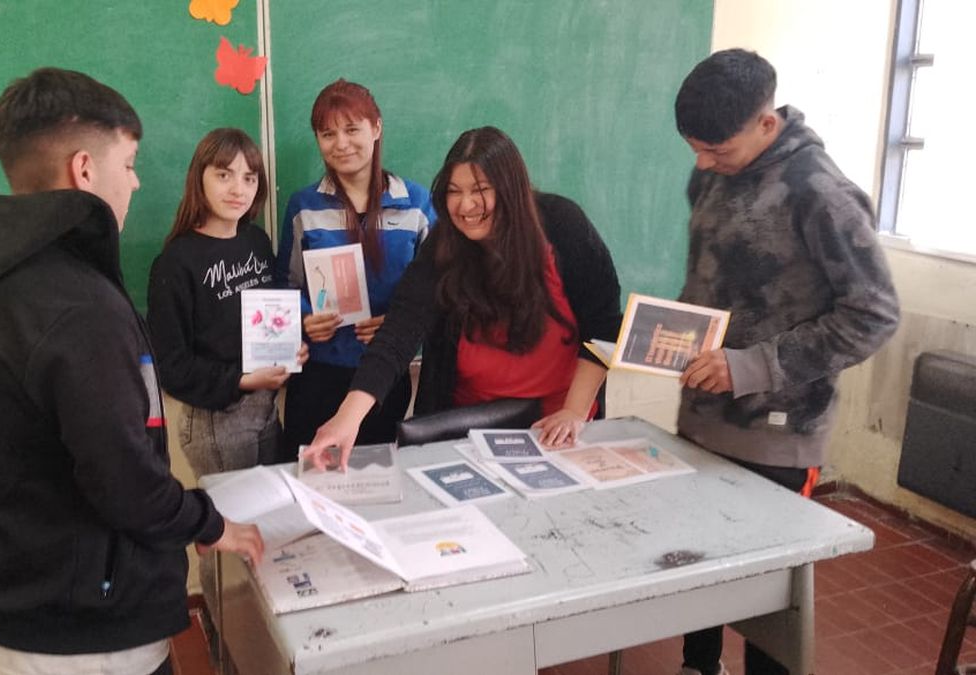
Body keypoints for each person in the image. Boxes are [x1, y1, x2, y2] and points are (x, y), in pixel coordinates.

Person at [0, 67, 263, 675]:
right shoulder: (80, 306)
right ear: (84, 170)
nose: (136, 182)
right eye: (130, 162)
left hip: (7, 593)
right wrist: (210, 524)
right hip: (82, 626)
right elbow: (124, 477)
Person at [671, 49, 899, 675]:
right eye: (695, 147)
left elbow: (874, 314)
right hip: (702, 418)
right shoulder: (713, 173)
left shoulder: (820, 192)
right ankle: (699, 664)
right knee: (697, 565)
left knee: (770, 599)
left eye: (716, 149)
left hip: (777, 433)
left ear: (767, 124)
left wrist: (751, 367)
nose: (701, 164)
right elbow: (717, 284)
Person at [303, 126, 623, 468]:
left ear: (510, 190)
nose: (466, 205)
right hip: (470, 427)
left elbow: (604, 325)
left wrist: (573, 412)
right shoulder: (445, 242)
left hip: (557, 425)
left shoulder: (563, 225)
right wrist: (348, 418)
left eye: (480, 190)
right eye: (454, 191)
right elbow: (399, 333)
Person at [275, 79, 435, 460]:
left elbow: (439, 293)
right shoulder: (304, 206)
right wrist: (304, 318)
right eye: (327, 134)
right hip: (318, 376)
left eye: (351, 129)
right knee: (312, 481)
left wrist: (397, 327)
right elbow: (283, 286)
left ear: (376, 128)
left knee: (373, 479)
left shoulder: (415, 204)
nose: (341, 144)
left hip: (386, 378)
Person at [147, 127, 307, 478]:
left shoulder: (256, 242)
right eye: (224, 175)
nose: (238, 189)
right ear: (199, 178)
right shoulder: (176, 262)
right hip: (217, 419)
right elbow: (172, 367)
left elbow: (267, 321)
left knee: (271, 521)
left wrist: (290, 350)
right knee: (238, 526)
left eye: (249, 178)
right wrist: (241, 380)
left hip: (266, 408)